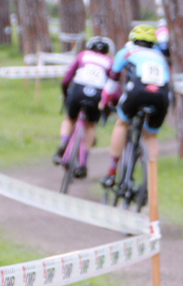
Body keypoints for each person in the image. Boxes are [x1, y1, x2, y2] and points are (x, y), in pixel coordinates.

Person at [99, 25, 171, 187]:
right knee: (151, 136)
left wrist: (104, 102)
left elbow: (112, 84)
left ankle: (111, 173)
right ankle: (151, 182)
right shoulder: (160, 56)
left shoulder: (126, 52)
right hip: (162, 95)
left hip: (138, 91)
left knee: (122, 123)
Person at [54, 36, 114, 179]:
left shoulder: (83, 55)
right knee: (90, 126)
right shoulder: (109, 61)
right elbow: (112, 85)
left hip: (78, 89)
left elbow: (66, 79)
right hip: (97, 93)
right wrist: (109, 104)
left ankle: (63, 142)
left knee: (70, 119)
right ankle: (83, 163)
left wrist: (65, 94)